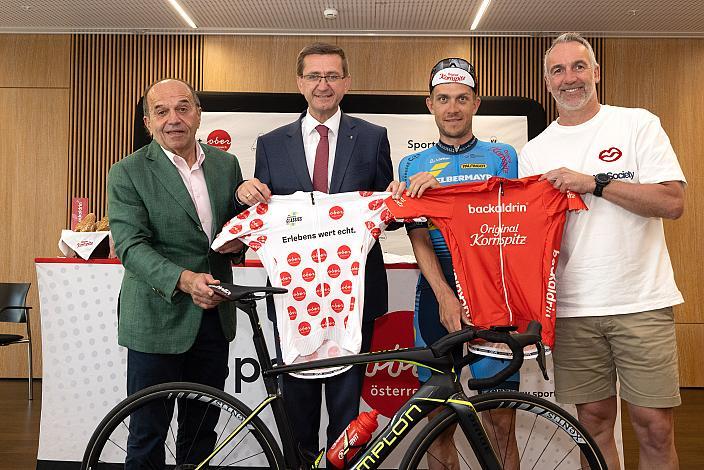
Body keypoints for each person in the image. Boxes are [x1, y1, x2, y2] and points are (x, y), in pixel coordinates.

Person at [519, 33, 685, 470]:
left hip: (641, 302)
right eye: (558, 70)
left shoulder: (637, 124)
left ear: (595, 72)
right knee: (592, 425)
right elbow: (526, 238)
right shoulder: (533, 152)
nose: (569, 78)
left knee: (655, 425)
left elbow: (672, 203)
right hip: (574, 308)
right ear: (547, 81)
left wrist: (596, 183)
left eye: (578, 67)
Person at [235, 43, 395, 463]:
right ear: (299, 83)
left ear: (346, 82)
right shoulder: (270, 144)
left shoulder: (373, 137)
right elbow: (260, 208)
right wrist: (243, 193)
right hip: (295, 297)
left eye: (332, 76)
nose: (323, 85)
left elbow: (386, 215)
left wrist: (394, 201)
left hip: (353, 296)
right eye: (314, 76)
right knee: (297, 408)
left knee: (347, 413)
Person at [107, 78, 246, 469]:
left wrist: (239, 242)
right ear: (148, 121)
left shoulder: (226, 165)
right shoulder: (128, 172)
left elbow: (233, 230)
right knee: (148, 431)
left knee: (202, 430)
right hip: (155, 317)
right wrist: (186, 281)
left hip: (213, 316)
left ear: (198, 114)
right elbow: (132, 247)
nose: (174, 119)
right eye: (162, 111)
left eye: (183, 108)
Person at [398, 58, 520, 469]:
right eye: (443, 98)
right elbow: (419, 238)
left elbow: (505, 221)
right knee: (438, 422)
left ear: (476, 103)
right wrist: (446, 297)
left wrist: (446, 197)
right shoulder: (412, 166)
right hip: (436, 293)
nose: (453, 107)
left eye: (462, 99)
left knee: (500, 420)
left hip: (492, 290)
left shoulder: (503, 156)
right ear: (429, 104)